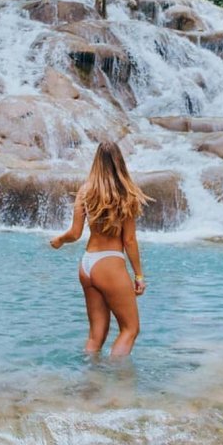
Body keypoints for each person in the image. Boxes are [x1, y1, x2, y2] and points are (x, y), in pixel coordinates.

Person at [50, 142, 149, 357]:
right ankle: (116, 382)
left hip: (87, 264)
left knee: (96, 335)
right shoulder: (126, 193)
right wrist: (139, 275)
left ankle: (90, 382)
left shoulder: (85, 191)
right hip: (109, 263)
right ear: (119, 162)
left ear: (96, 162)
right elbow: (129, 241)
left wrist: (59, 240)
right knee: (130, 329)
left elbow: (75, 234)